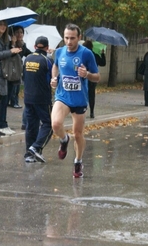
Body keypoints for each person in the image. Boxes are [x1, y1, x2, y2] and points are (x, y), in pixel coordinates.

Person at [50, 23, 100, 178]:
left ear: (79, 38)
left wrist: (87, 75)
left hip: (79, 99)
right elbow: (55, 66)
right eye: (66, 38)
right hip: (63, 96)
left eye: (72, 38)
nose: (69, 42)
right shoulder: (59, 52)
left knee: (78, 134)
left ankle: (78, 161)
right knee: (56, 124)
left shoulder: (86, 54)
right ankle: (64, 140)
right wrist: (54, 78)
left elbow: (97, 77)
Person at [23, 36, 54, 163]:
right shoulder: (47, 60)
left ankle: (29, 155)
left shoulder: (27, 59)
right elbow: (53, 78)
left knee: (31, 125)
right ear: (47, 48)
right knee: (50, 124)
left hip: (28, 97)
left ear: (35, 46)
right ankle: (36, 147)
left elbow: (23, 77)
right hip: (42, 98)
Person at [82, 40, 106, 118]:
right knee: (91, 94)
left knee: (83, 93)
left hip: (84, 77)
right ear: (92, 47)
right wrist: (102, 53)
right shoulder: (95, 55)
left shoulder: (82, 55)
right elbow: (103, 63)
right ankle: (92, 112)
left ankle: (82, 110)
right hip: (93, 76)